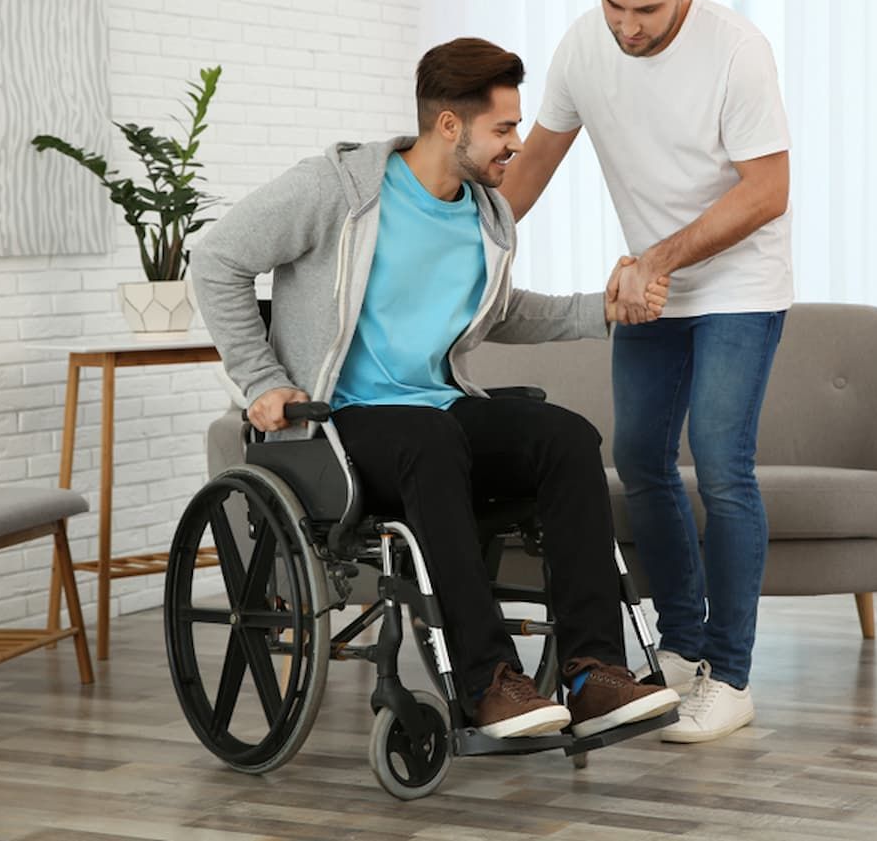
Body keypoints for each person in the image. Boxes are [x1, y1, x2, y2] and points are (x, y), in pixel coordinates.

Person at [191, 37, 680, 740]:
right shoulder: (339, 190)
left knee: (567, 438)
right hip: (337, 425)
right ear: (450, 124)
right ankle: (488, 681)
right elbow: (216, 259)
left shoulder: (485, 213)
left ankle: (591, 671)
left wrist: (597, 309)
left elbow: (497, 311)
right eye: (504, 128)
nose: (517, 144)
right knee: (431, 437)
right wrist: (262, 378)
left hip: (438, 416)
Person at [499, 0, 793, 743]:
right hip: (651, 288)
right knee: (639, 458)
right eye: (613, 4)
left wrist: (658, 258)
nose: (627, 26)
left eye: (648, 10)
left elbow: (768, 190)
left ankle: (730, 676)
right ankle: (683, 645)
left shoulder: (737, 51)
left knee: (723, 463)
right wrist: (453, 246)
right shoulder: (583, 47)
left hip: (738, 282)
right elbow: (529, 171)